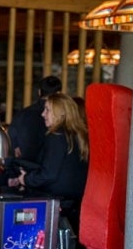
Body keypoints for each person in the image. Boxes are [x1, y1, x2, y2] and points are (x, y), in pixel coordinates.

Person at [14, 92, 89, 236]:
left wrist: (27, 179)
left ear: (60, 114)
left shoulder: (56, 135)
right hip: (74, 204)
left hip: (54, 202)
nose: (43, 114)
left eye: (47, 110)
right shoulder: (78, 135)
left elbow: (49, 174)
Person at [8, 75, 62, 162]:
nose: (44, 114)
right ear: (59, 94)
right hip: (50, 171)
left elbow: (11, 145)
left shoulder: (21, 115)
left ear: (39, 92)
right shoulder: (62, 117)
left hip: (23, 169)